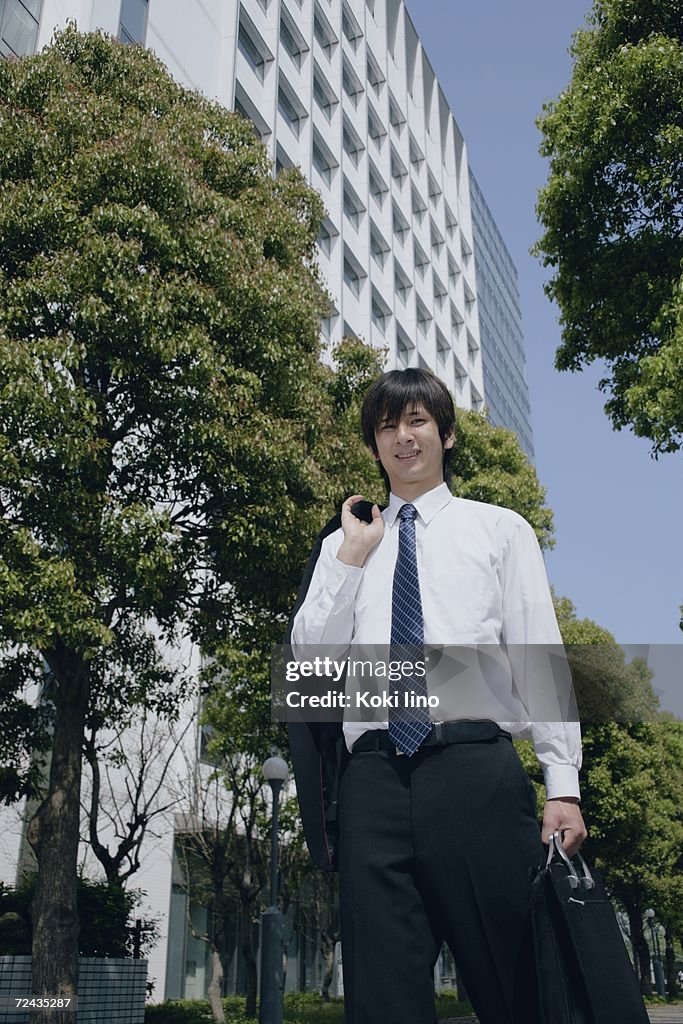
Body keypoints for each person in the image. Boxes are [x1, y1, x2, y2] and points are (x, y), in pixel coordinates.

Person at [289, 367, 587, 1024]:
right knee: (382, 996)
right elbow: (310, 664)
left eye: (416, 420)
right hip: (372, 785)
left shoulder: (499, 530)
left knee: (516, 985)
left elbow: (537, 655)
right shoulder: (344, 542)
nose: (402, 436)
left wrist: (560, 782)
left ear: (445, 434)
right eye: (387, 426)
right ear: (373, 445)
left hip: (474, 771)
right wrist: (350, 560)